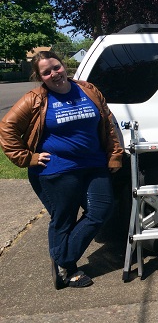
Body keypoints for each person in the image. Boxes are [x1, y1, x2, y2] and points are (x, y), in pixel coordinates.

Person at [0, 51, 123, 289]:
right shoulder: (35, 99)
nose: (54, 74)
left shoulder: (87, 90)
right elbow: (7, 128)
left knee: (101, 210)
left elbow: (107, 123)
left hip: (94, 164)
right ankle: (69, 270)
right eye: (46, 72)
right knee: (64, 218)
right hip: (56, 170)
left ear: (63, 65)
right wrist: (27, 158)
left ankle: (63, 258)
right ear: (40, 77)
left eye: (56, 67)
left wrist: (114, 154)